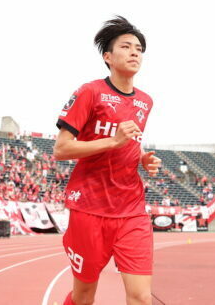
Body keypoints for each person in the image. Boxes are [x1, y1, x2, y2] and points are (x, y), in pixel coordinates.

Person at [53, 16, 161, 305]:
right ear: (108, 57)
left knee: (140, 296)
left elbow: (130, 142)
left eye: (139, 48)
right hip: (89, 208)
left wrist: (142, 158)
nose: (135, 52)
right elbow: (61, 149)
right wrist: (113, 141)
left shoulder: (145, 101)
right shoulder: (89, 92)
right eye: (126, 46)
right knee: (84, 295)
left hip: (131, 209)